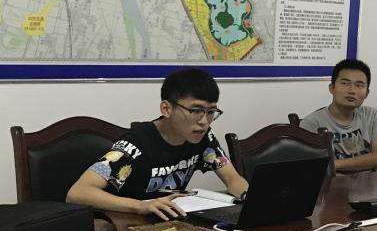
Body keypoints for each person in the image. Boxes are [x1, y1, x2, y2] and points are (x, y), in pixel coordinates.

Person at [66, 67, 249, 220]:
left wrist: (249, 196)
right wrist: (140, 206)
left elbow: (232, 179)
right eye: (196, 110)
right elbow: (78, 193)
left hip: (170, 225)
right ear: (166, 109)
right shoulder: (135, 144)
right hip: (127, 226)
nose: (204, 121)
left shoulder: (204, 137)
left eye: (211, 112)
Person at [297, 58, 377, 173]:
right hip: (337, 184)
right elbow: (316, 169)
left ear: (367, 93)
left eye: (359, 85)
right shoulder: (312, 123)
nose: (352, 90)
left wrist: (333, 165)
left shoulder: (373, 115)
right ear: (332, 88)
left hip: (373, 182)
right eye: (345, 83)